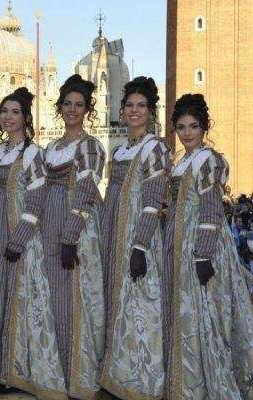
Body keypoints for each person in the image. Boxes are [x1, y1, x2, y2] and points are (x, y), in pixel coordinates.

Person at [164, 94, 253, 398]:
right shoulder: (181, 162)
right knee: (186, 316)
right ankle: (186, 384)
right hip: (178, 244)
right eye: (181, 127)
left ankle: (211, 385)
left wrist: (203, 254)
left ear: (204, 127)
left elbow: (211, 209)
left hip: (200, 247)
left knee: (206, 316)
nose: (187, 133)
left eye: (194, 126)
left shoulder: (208, 160)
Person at [0, 88, 61, 396]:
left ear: (25, 118)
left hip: (21, 239)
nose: (7, 117)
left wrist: (19, 238)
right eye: (4, 112)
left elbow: (37, 198)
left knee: (21, 300)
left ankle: (19, 371)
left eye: (14, 112)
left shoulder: (33, 153)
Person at [98, 77, 170, 399]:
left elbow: (154, 199)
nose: (135, 111)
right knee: (119, 307)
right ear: (122, 111)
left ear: (151, 112)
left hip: (140, 241)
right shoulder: (120, 150)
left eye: (142, 106)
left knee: (142, 309)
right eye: (130, 105)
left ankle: (143, 382)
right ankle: (119, 377)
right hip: (115, 236)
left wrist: (139, 246)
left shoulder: (155, 148)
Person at [41, 74, 105, 399]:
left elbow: (86, 191)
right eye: (67, 104)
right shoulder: (51, 147)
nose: (72, 110)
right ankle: (56, 374)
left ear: (87, 110)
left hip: (75, 229)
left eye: (79, 105)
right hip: (48, 226)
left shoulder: (91, 147)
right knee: (53, 299)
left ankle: (78, 377)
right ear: (60, 107)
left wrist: (70, 236)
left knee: (76, 299)